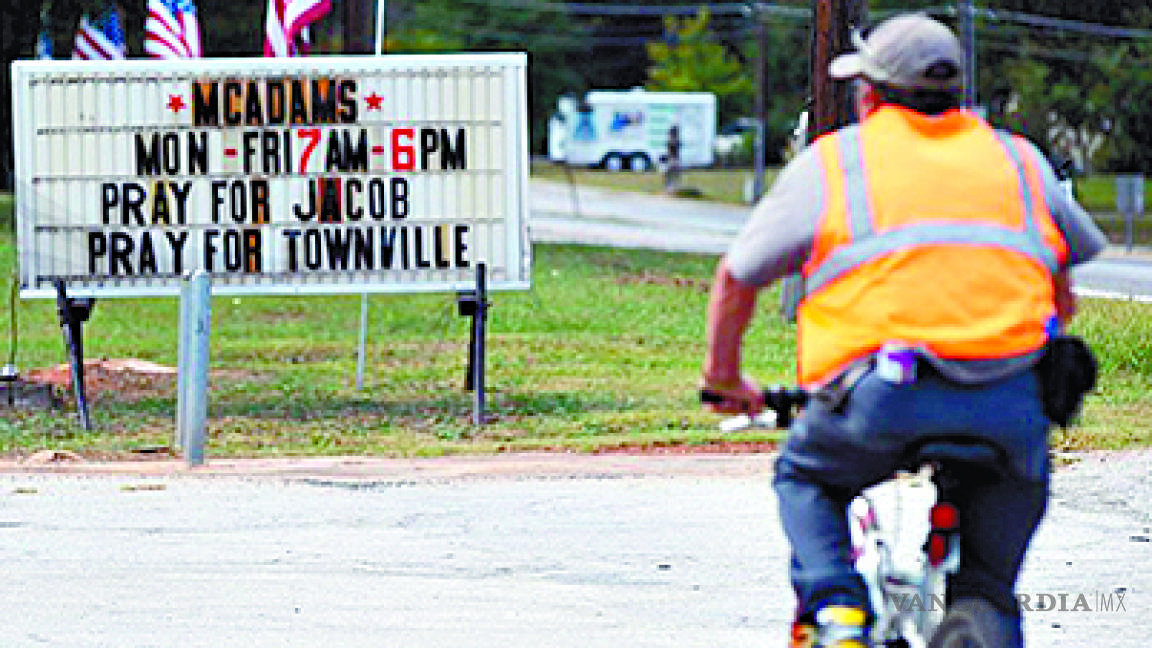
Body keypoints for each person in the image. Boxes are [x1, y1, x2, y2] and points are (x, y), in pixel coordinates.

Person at [699, 12, 1107, 648]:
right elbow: (1066, 279)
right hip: (1011, 406)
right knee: (989, 587)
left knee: (806, 478)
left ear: (869, 94)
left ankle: (838, 615)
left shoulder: (835, 164)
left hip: (881, 398)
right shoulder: (1019, 161)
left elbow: (738, 276)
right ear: (957, 92)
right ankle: (980, 618)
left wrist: (723, 379)